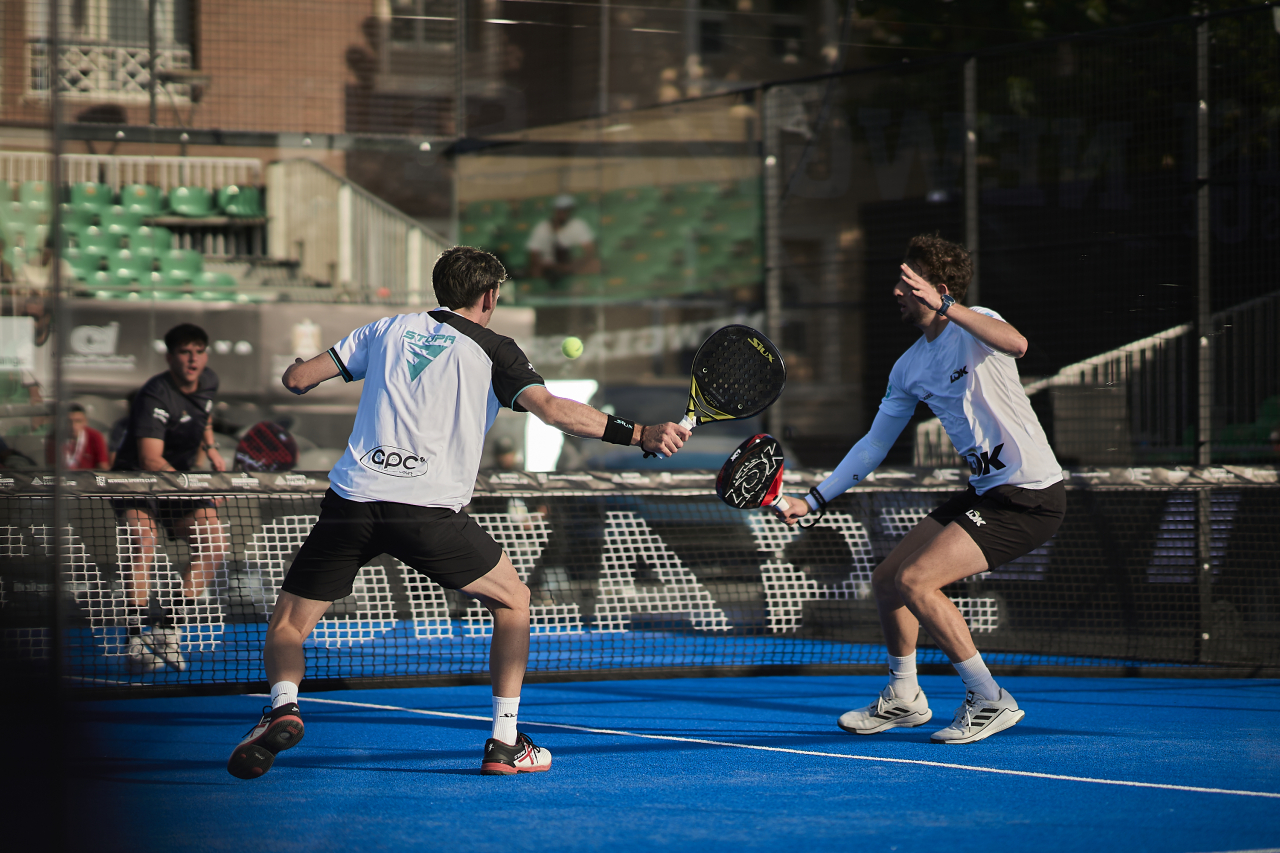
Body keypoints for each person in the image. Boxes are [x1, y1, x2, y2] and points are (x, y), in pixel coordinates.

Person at [226, 247, 690, 779]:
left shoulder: (384, 329)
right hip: (426, 512)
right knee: (514, 601)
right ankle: (505, 741)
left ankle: (284, 706)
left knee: (287, 625)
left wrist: (292, 368)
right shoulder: (496, 349)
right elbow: (554, 411)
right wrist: (639, 433)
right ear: (489, 296)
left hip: (351, 500)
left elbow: (299, 380)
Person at [776, 235, 1065, 745]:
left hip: (1031, 495)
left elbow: (1018, 345)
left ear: (938, 289)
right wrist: (813, 500)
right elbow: (872, 445)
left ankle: (990, 698)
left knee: (916, 581)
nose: (896, 292)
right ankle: (905, 698)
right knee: (889, 578)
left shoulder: (978, 325)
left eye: (907, 283)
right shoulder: (908, 367)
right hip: (987, 492)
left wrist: (950, 307)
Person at [112, 323, 229, 672]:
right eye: (184, 351)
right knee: (143, 540)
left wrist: (212, 450)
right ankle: (135, 635)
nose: (192, 358)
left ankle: (167, 627)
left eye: (198, 350)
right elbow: (150, 460)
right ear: (170, 356)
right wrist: (199, 486)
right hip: (138, 481)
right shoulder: (155, 394)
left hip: (181, 480)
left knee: (215, 542)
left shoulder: (209, 380)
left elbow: (203, 415)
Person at [525, 194, 600, 283]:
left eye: (565, 209)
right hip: (548, 266)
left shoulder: (578, 225)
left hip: (571, 264)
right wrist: (551, 266)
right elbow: (533, 253)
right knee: (535, 270)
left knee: (596, 265)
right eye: (559, 209)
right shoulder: (542, 227)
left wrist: (575, 264)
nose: (562, 212)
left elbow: (589, 250)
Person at [45, 403, 109, 470]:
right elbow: (52, 468)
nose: (73, 426)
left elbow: (103, 468)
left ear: (85, 422)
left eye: (78, 421)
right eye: (68, 421)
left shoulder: (95, 436)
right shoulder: (54, 437)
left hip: (88, 479)